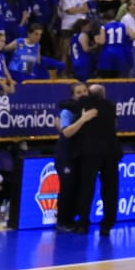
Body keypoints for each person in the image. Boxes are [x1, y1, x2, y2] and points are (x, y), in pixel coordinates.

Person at [72, 83, 121, 238]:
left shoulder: (83, 104)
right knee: (110, 190)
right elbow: (114, 125)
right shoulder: (111, 106)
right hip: (110, 152)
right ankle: (107, 224)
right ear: (103, 94)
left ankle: (83, 223)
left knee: (86, 188)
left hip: (90, 152)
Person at [54, 82, 90, 233]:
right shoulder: (67, 111)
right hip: (66, 154)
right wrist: (83, 119)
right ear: (73, 95)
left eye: (84, 91)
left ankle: (72, 217)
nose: (82, 94)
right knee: (67, 188)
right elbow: (67, 132)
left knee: (78, 187)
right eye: (78, 92)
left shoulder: (89, 109)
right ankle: (62, 220)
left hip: (80, 154)